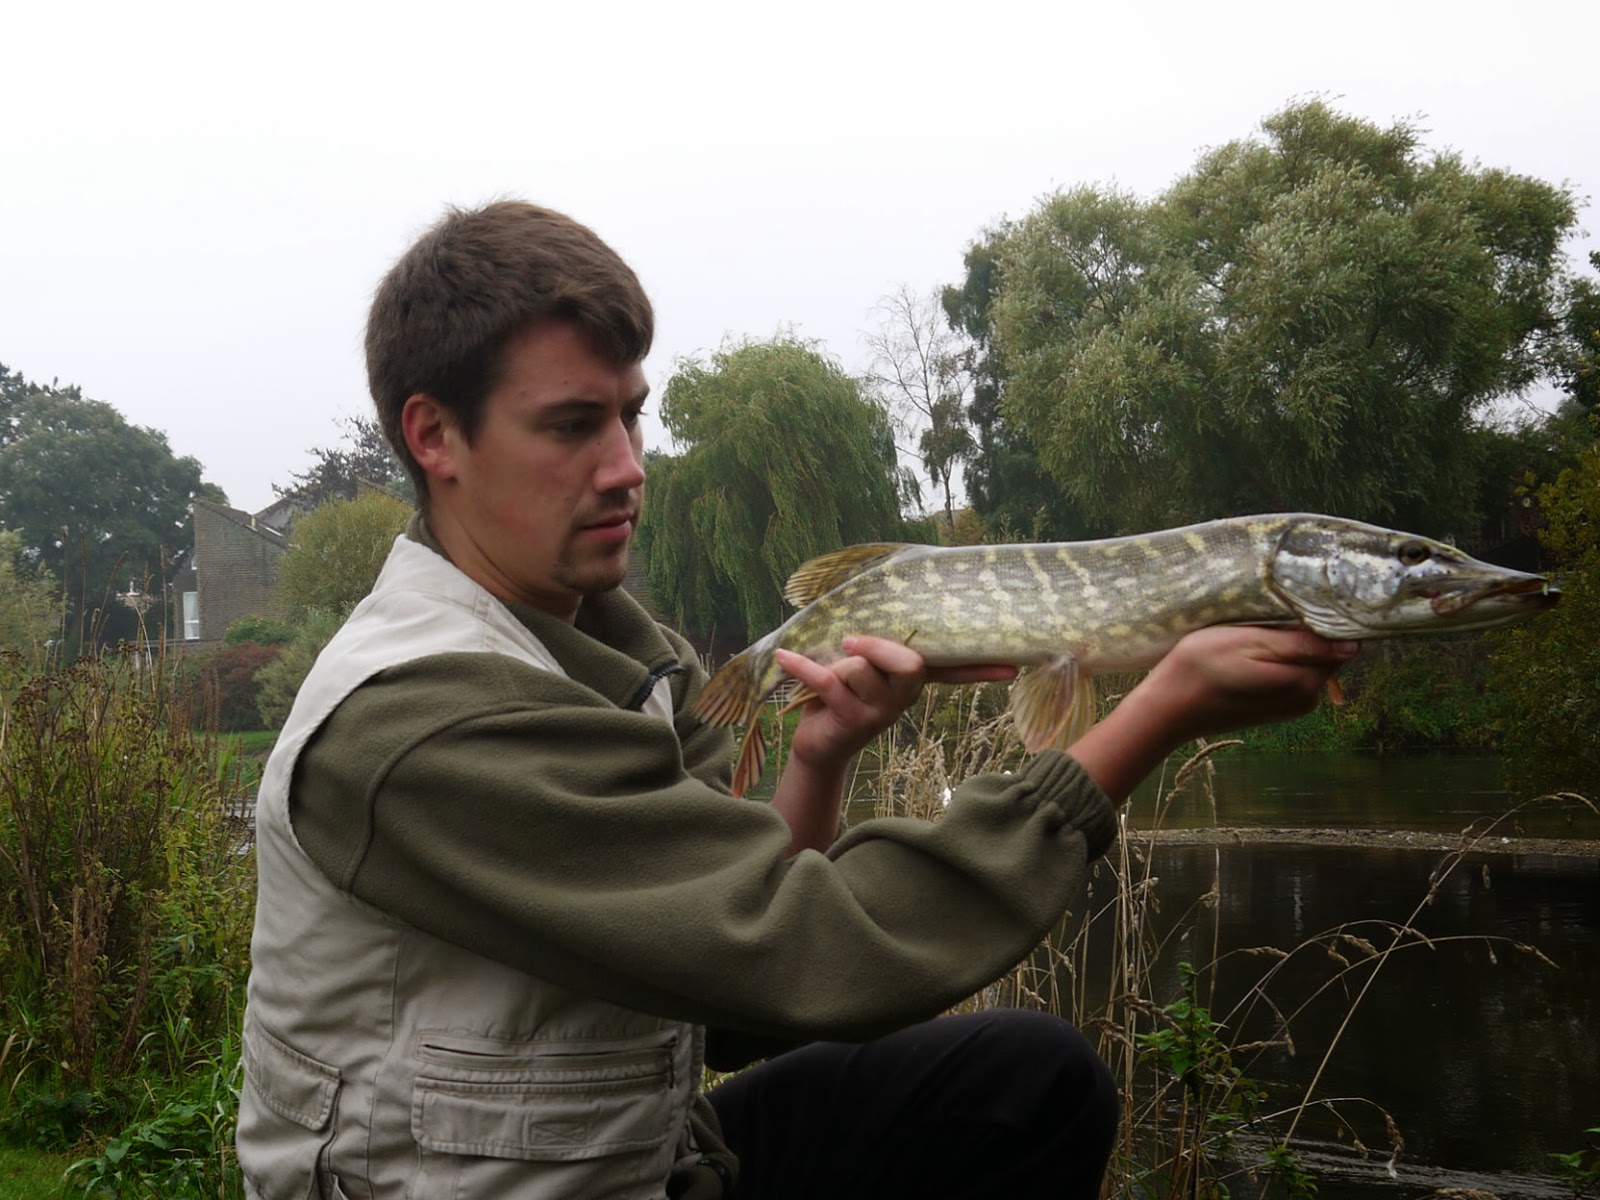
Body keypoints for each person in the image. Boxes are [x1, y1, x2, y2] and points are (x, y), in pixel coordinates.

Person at [237, 200, 1357, 1200]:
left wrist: (819, 758)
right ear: (435, 436)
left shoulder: (610, 655)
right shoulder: (421, 722)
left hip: (627, 1154)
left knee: (1022, 1081)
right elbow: (814, 956)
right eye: (573, 426)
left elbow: (728, 1004)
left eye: (632, 415)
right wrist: (1151, 712)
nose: (628, 466)